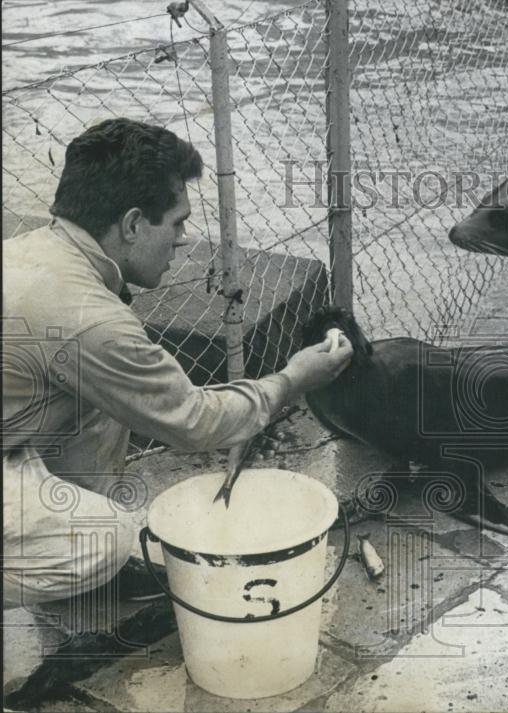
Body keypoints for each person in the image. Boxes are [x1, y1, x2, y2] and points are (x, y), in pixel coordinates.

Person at [2, 118, 353, 608]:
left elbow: (145, 395)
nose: (185, 239)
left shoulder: (33, 254)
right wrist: (292, 379)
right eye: (178, 221)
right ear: (131, 225)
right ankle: (67, 557)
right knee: (101, 541)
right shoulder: (88, 317)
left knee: (108, 398)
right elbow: (194, 421)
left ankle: (56, 556)